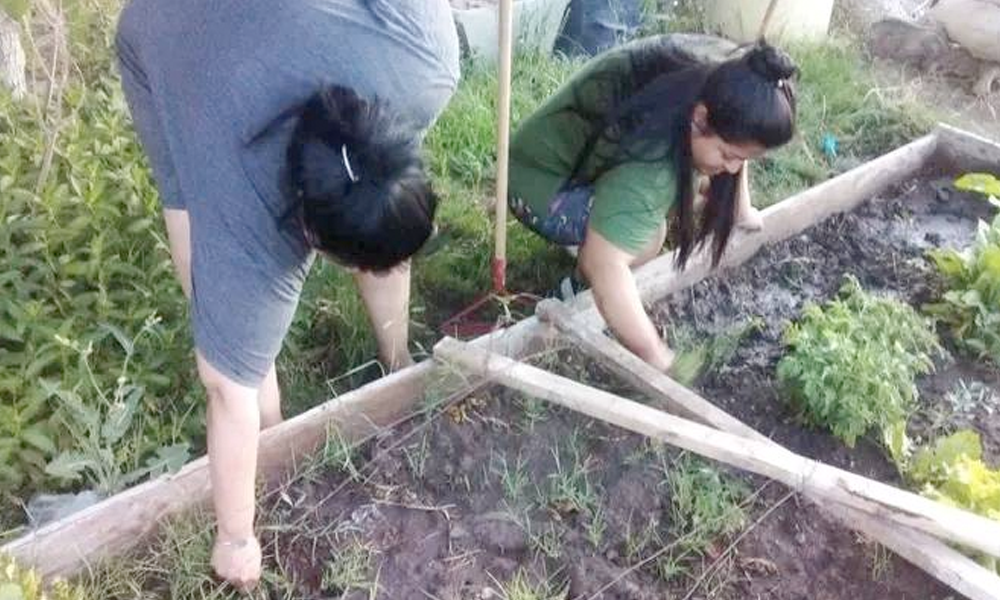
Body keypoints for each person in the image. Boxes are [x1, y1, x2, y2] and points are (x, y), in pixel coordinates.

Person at [115, 0, 459, 590]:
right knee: (232, 357)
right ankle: (273, 438)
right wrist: (236, 538)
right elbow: (225, 392)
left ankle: (396, 361)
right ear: (309, 236)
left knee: (368, 220)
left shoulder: (424, 57)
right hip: (164, 33)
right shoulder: (244, 221)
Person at [509, 35, 797, 372]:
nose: (733, 167)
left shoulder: (735, 80)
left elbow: (740, 139)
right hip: (535, 181)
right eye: (728, 155)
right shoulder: (653, 164)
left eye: (743, 159)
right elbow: (603, 264)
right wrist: (657, 356)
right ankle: (571, 290)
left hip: (579, 159)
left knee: (669, 202)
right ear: (701, 118)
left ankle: (611, 215)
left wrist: (741, 210)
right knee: (648, 236)